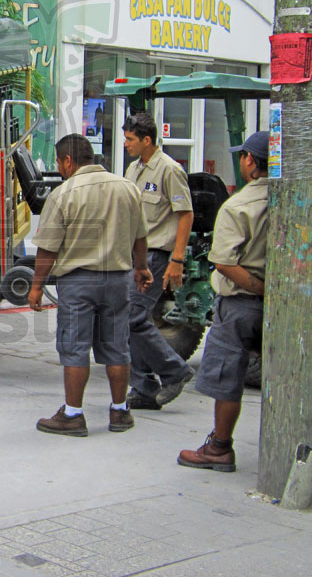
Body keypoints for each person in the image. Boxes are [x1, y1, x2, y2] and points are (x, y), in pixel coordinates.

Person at [28, 133, 152, 437]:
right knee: (117, 347)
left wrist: (36, 286)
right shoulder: (127, 188)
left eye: (60, 163)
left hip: (78, 282)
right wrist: (141, 267)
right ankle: (120, 411)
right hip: (118, 280)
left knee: (75, 349)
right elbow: (140, 236)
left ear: (68, 161)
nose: (60, 169)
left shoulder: (63, 194)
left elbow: (48, 248)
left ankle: (73, 415)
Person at [178, 131, 269, 472]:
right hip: (281, 303)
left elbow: (224, 263)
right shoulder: (292, 198)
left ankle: (219, 447)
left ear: (250, 161)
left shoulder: (239, 205)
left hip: (242, 303)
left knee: (227, 376)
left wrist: (260, 288)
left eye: (242, 156)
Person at [121, 113, 195, 410]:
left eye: (130, 139)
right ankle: (144, 388)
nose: (125, 144)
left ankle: (174, 371)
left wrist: (177, 260)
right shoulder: (133, 169)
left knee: (132, 316)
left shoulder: (169, 170)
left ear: (147, 140)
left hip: (157, 256)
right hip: (134, 254)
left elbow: (185, 214)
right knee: (129, 319)